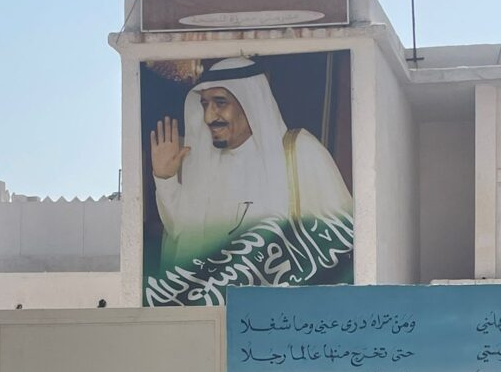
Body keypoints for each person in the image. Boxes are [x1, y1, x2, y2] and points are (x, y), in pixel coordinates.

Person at [149, 57, 353, 270]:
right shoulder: (208, 164)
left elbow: (341, 237)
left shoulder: (299, 151)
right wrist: (165, 179)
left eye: (220, 103)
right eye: (204, 105)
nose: (209, 117)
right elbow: (183, 233)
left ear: (250, 101)